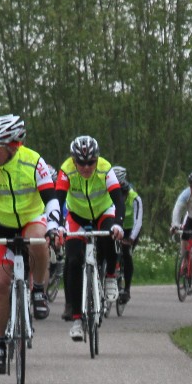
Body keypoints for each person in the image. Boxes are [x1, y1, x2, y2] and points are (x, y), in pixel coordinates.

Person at [0, 114, 61, 374]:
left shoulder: (34, 162)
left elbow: (51, 198)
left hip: (30, 218)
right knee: (0, 284)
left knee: (39, 241)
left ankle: (39, 290)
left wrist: (54, 227)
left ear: (12, 146)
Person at [56, 135, 126, 341]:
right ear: (73, 160)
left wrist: (118, 224)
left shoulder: (105, 168)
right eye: (81, 163)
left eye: (91, 162)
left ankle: (111, 275)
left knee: (110, 237)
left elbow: (118, 200)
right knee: (73, 260)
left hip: (103, 212)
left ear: (97, 159)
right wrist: (57, 225)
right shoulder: (66, 170)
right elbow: (57, 200)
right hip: (76, 216)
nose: (86, 167)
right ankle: (77, 319)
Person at [111, 165, 143, 305]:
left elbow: (138, 221)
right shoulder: (108, 193)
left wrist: (130, 239)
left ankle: (127, 289)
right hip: (115, 226)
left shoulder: (134, 198)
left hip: (130, 230)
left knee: (126, 253)